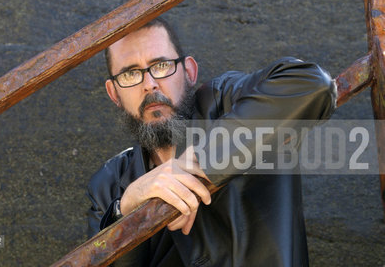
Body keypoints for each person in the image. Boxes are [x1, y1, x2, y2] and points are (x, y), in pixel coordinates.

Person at [87, 17, 336, 266]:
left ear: (189, 72)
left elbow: (312, 84)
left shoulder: (226, 101)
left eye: (161, 65)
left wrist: (199, 161)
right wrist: (127, 208)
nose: (149, 84)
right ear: (114, 93)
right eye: (130, 74)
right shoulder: (107, 185)